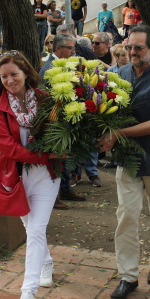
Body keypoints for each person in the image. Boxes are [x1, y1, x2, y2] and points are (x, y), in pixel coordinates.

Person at [97, 25, 150, 299]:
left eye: (138, 48)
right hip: (127, 159)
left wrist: (116, 134)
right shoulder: (118, 75)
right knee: (127, 215)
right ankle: (128, 276)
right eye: (129, 46)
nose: (131, 52)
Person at [0, 51, 62, 299]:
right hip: (15, 178)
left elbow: (60, 133)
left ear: (26, 74)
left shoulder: (45, 100)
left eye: (14, 74)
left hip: (46, 176)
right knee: (32, 229)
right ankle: (47, 262)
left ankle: (28, 293)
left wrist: (55, 154)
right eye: (4, 76)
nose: (9, 80)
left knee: (36, 230)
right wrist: (45, 154)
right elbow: (8, 148)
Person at [38, 33, 85, 209]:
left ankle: (65, 189)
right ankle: (54, 196)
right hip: (54, 121)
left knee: (66, 158)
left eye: (74, 47)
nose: (74, 51)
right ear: (59, 49)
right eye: (70, 48)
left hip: (66, 118)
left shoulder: (65, 64)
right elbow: (49, 98)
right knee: (56, 159)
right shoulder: (49, 68)